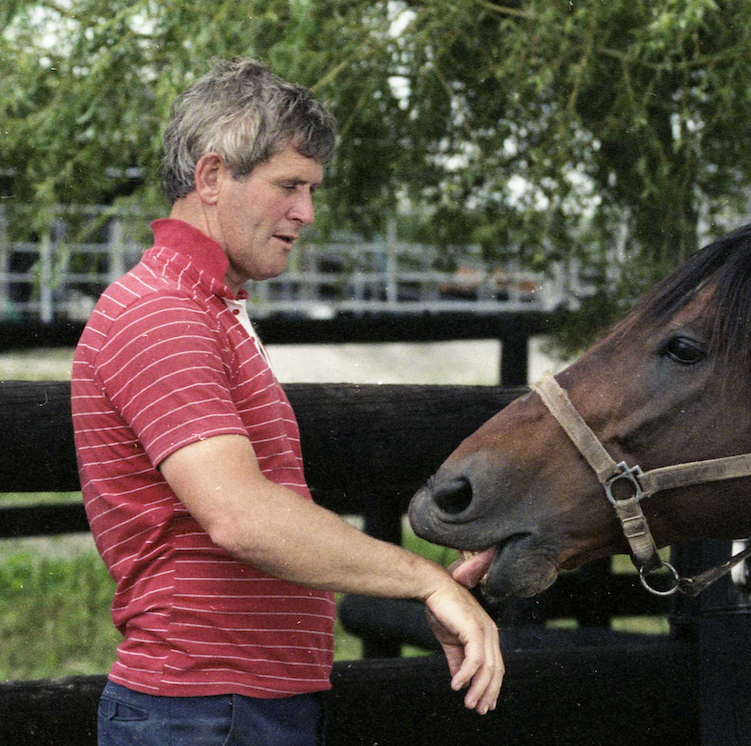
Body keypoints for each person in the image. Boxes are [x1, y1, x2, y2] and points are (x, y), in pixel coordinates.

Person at [71, 57, 503, 745]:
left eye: (311, 189)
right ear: (212, 177)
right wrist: (425, 581)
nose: (306, 212)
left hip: (237, 706)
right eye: (289, 186)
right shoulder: (162, 313)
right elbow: (241, 517)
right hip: (205, 710)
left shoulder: (208, 308)